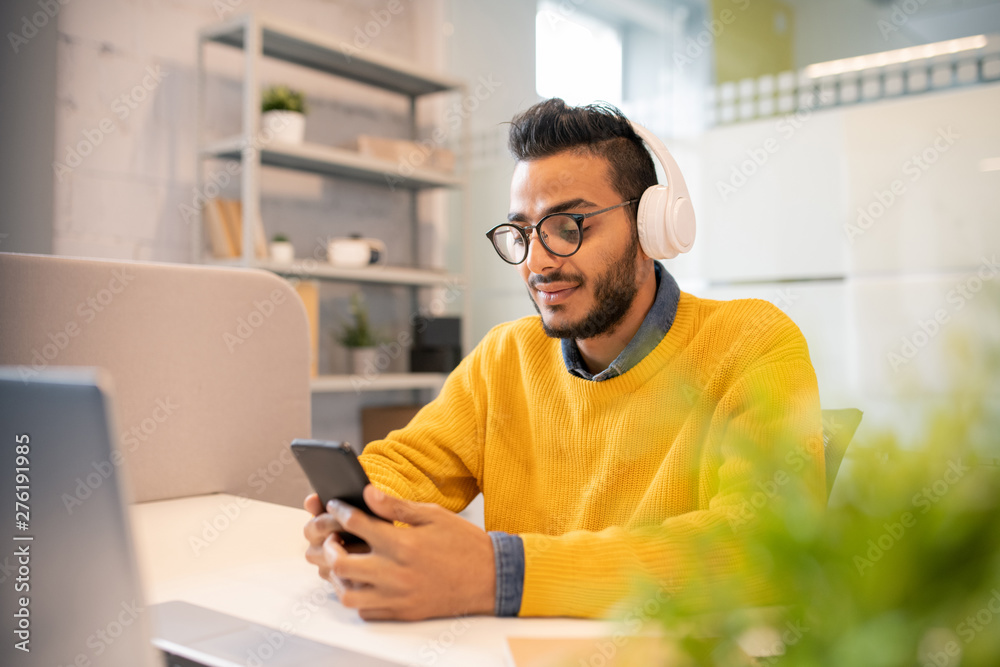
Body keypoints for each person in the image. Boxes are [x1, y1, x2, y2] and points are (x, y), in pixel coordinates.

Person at [303, 99, 825, 621]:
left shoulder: (752, 342)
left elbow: (761, 546)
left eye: (568, 226)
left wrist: (499, 573)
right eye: (524, 233)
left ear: (650, 227)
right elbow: (401, 467)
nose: (538, 262)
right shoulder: (506, 355)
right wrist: (354, 523)